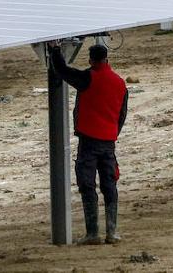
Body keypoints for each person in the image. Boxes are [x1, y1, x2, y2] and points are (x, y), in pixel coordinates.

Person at [48, 41, 128, 245]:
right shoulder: (120, 83)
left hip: (89, 141)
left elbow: (62, 70)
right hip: (109, 142)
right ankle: (112, 232)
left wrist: (55, 49)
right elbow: (122, 114)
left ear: (91, 60)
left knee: (87, 184)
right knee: (110, 185)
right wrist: (111, 134)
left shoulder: (87, 78)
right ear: (107, 59)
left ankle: (92, 233)